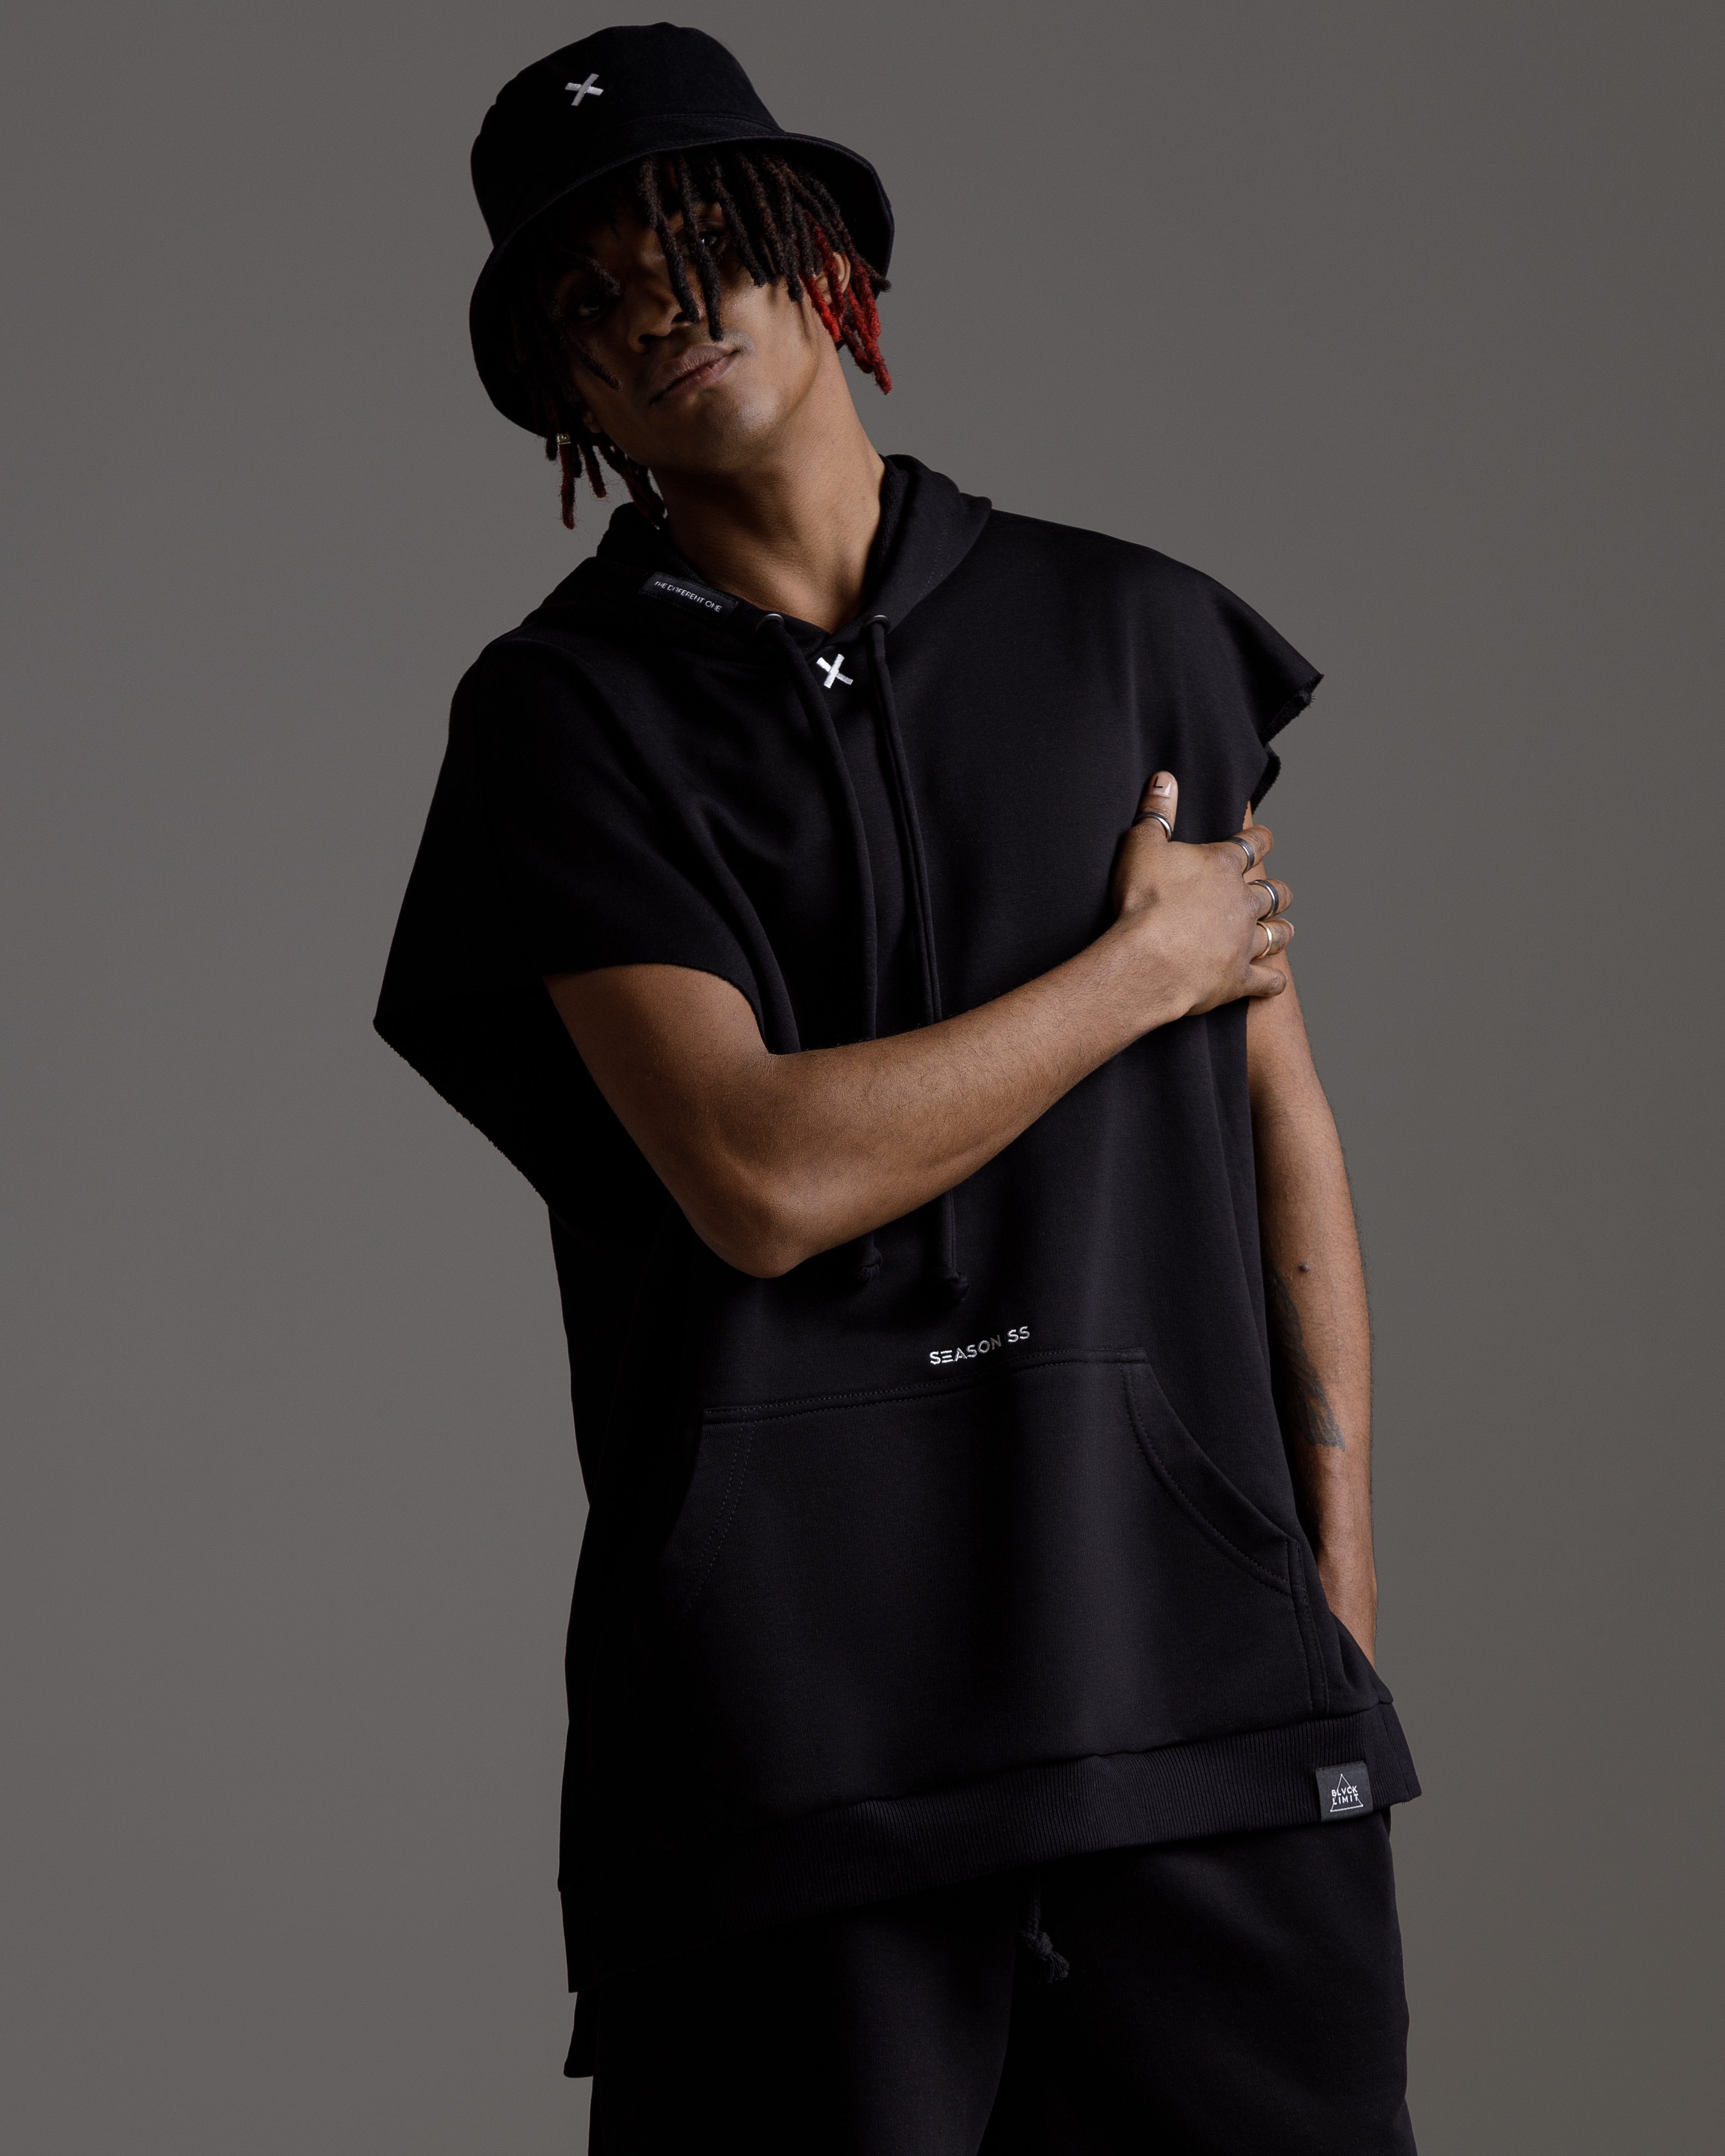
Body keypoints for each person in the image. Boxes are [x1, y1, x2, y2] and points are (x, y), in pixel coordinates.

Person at [377, 24, 1419, 2153]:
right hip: (794, 1754)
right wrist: (1138, 969)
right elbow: (757, 1173)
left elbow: (1276, 1119)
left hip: (1200, 1707)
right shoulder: (561, 721)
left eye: (699, 245)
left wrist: (1329, 1586)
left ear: (826, 263)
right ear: (564, 397)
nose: (656, 313)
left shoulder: (1132, 629)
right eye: (587, 301)